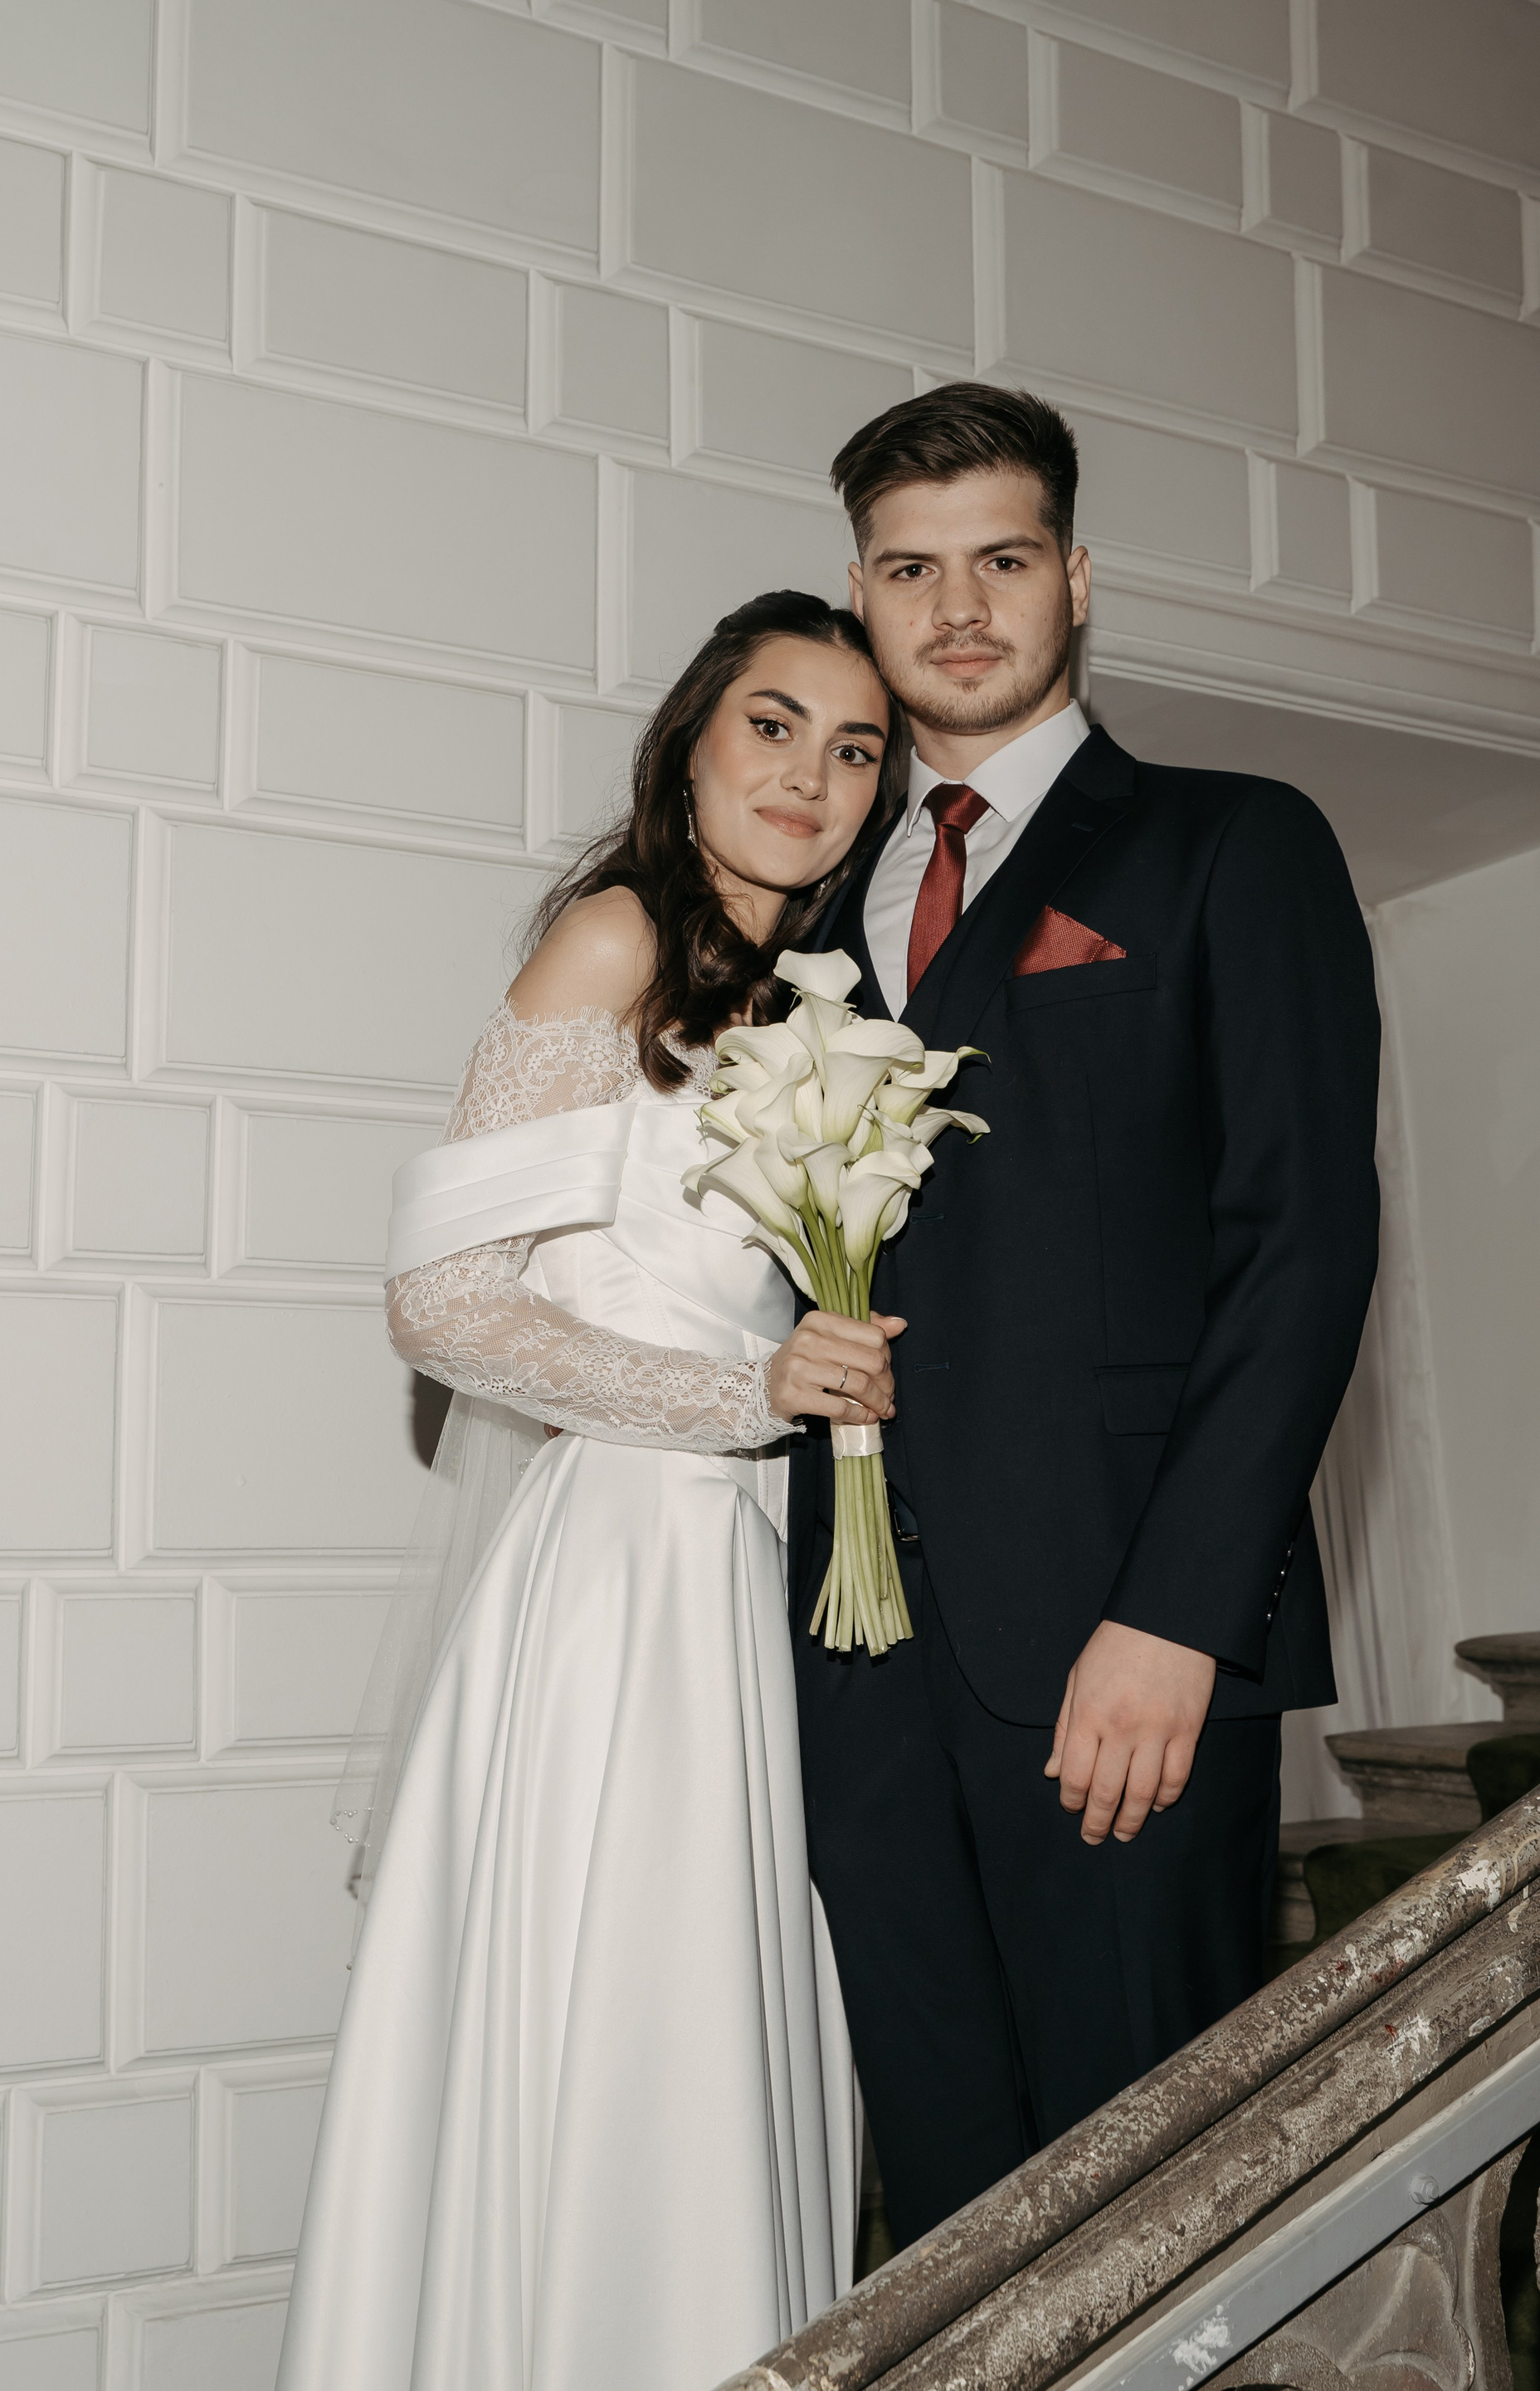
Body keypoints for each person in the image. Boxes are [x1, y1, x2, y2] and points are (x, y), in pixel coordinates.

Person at [275, 591, 909, 2391]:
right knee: (630, 2006)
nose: (809, 776)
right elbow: (445, 1302)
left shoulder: (813, 1010)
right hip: (625, 1575)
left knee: (728, 2017)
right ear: (691, 742)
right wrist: (742, 1396)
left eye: (853, 748)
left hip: (759, 1573)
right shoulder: (616, 937)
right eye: (772, 726)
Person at [790, 384, 1381, 2251]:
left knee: (1149, 2212)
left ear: (1079, 576)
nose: (959, 607)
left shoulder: (1233, 841)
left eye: (1004, 558)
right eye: (911, 569)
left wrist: (1181, 1614)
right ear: (861, 593)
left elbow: (1302, 1245)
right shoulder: (806, 899)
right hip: (853, 1660)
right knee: (948, 2217)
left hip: (1119, 1649)